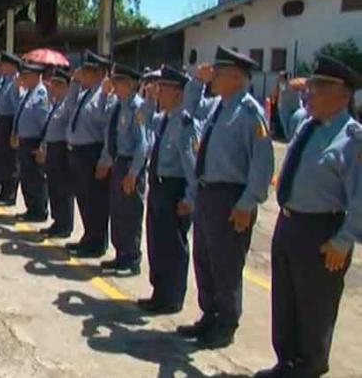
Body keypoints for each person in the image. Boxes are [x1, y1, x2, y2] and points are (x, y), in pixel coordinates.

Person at [255, 56, 362, 378]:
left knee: (314, 303)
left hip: (321, 230)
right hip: (290, 222)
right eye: (311, 87)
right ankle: (286, 361)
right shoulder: (307, 123)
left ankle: (311, 364)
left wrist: (343, 240)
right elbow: (286, 116)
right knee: (286, 297)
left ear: (342, 96)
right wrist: (288, 88)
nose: (310, 94)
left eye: (318, 89)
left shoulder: (352, 139)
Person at [177, 46, 274, 349]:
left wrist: (248, 202)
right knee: (204, 258)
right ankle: (210, 315)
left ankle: (226, 323)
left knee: (226, 264)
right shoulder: (219, 106)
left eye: (217, 74)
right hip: (207, 192)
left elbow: (262, 164)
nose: (213, 78)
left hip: (231, 197)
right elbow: (187, 112)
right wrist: (195, 82)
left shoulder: (249, 113)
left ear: (236, 77)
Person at [138, 65, 199, 314]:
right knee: (156, 241)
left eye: (163, 88)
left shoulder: (185, 123)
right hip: (158, 185)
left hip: (175, 188)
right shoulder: (164, 119)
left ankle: (172, 297)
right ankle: (159, 291)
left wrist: (190, 198)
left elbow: (192, 166)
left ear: (178, 93)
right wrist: (149, 98)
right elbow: (141, 118)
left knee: (173, 245)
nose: (158, 92)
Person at [97, 63, 151, 275]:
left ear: (129, 85)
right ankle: (121, 255)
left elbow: (143, 144)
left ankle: (132, 258)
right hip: (119, 162)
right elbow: (101, 119)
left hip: (130, 165)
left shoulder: (138, 107)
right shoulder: (117, 105)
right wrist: (103, 94)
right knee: (117, 212)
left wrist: (133, 174)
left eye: (118, 83)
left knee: (130, 214)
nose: (115, 86)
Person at [65, 51, 114, 258]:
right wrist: (74, 84)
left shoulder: (105, 97)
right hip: (78, 152)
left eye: (86, 72)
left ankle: (97, 243)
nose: (82, 74)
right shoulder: (85, 93)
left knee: (95, 201)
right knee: (84, 199)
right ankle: (88, 237)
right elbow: (69, 109)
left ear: (99, 73)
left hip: (92, 152)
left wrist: (104, 159)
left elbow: (107, 130)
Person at [36, 68, 75, 238]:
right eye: (53, 83)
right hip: (52, 148)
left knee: (63, 189)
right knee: (54, 187)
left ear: (67, 87)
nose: (53, 87)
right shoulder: (56, 104)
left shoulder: (68, 105)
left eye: (58, 84)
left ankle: (65, 224)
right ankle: (57, 221)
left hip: (62, 149)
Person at [12, 60, 50, 221]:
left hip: (34, 141)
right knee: (26, 177)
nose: (23, 79)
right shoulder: (28, 92)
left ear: (35, 76)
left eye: (26, 76)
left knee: (36, 178)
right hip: (25, 141)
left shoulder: (40, 95)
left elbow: (45, 123)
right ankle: (31, 208)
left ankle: (39, 210)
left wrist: (43, 145)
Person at [0, 52, 22, 206]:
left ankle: (9, 194)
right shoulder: (4, 81)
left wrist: (15, 131)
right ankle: (2, 191)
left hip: (10, 121)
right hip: (0, 121)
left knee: (10, 161)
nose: (0, 67)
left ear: (11, 66)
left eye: (2, 65)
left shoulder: (16, 81)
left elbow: (18, 106)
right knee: (0, 160)